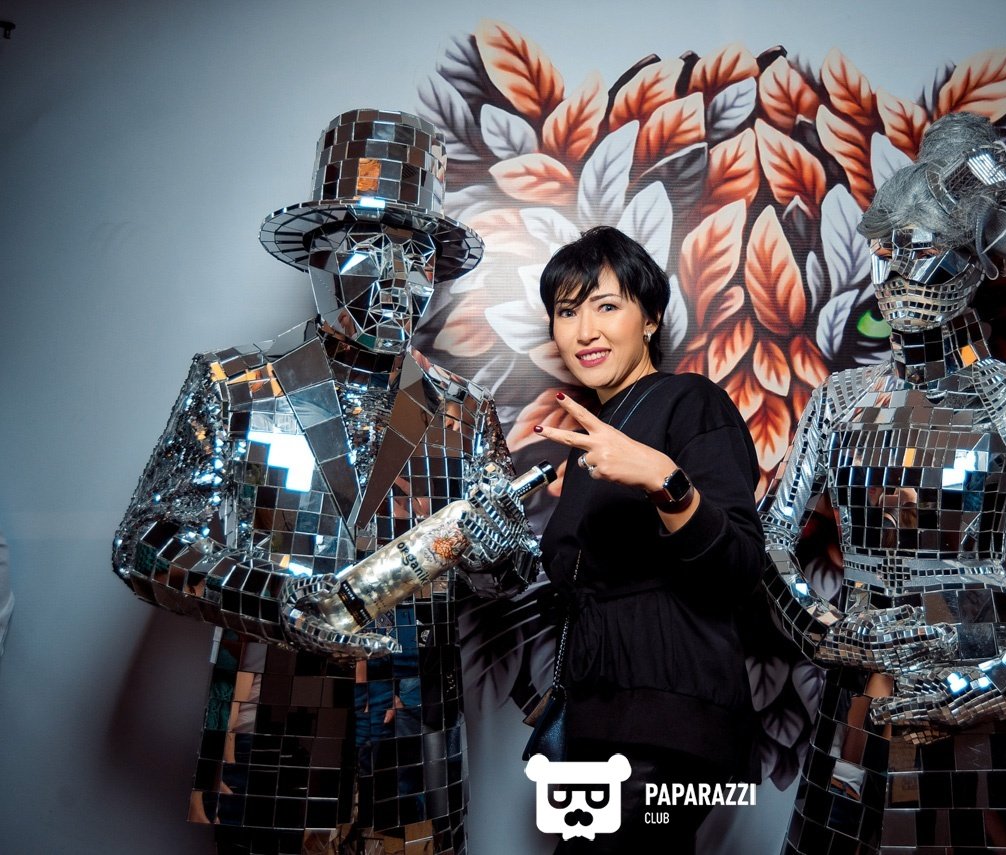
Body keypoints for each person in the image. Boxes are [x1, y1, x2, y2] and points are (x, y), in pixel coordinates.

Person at [112, 109, 537, 855]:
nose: (399, 279)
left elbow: (510, 573)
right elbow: (145, 543)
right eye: (371, 248)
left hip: (417, 763)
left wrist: (501, 552)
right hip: (271, 751)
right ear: (316, 257)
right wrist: (275, 602)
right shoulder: (235, 387)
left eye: (417, 255)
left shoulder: (465, 410)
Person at [758, 113, 1006, 853]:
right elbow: (768, 534)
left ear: (973, 262)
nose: (892, 274)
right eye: (885, 250)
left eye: (917, 251)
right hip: (860, 700)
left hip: (986, 695)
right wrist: (822, 629)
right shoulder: (839, 400)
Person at [531, 226, 765, 852]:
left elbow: (741, 568)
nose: (586, 331)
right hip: (601, 721)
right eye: (568, 312)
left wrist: (666, 482)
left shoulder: (691, 402)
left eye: (607, 306)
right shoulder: (593, 436)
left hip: (672, 731)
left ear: (652, 318)